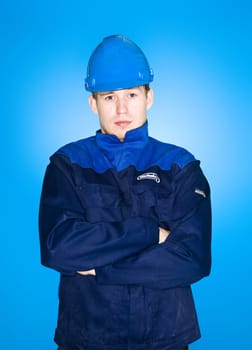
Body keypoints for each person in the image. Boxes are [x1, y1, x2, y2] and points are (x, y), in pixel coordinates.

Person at [39, 34, 212, 350]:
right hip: (86, 338)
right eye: (109, 97)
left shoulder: (180, 166)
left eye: (131, 94)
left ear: (149, 97)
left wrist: (100, 267)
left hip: (165, 339)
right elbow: (59, 249)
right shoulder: (67, 164)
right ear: (93, 103)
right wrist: (148, 232)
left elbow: (192, 259)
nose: (121, 108)